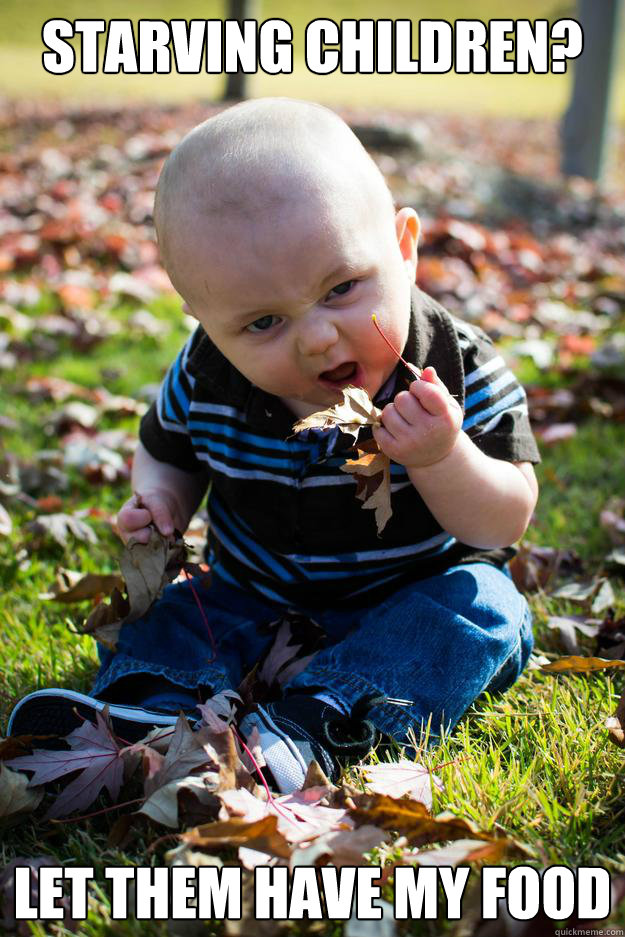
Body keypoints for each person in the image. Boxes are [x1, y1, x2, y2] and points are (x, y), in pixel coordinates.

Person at [8, 98, 540, 794]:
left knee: (486, 608)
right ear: (204, 321)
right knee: (175, 610)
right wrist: (160, 499)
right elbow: (166, 449)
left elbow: (504, 520)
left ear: (403, 247)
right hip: (251, 595)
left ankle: (316, 726)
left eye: (342, 287)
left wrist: (443, 457)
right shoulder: (206, 375)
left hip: (401, 603)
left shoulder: (460, 369)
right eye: (262, 321)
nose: (317, 337)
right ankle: (148, 717)